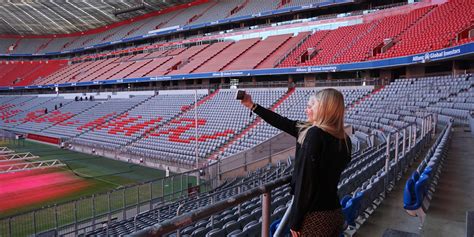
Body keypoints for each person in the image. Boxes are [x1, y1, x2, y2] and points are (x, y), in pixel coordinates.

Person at [241, 88, 352, 237]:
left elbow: (306, 182)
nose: (307, 109)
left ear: (324, 109)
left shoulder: (314, 135)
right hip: (334, 211)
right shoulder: (345, 140)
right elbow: (281, 122)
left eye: (312, 105)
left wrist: (296, 220)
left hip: (315, 217)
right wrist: (252, 106)